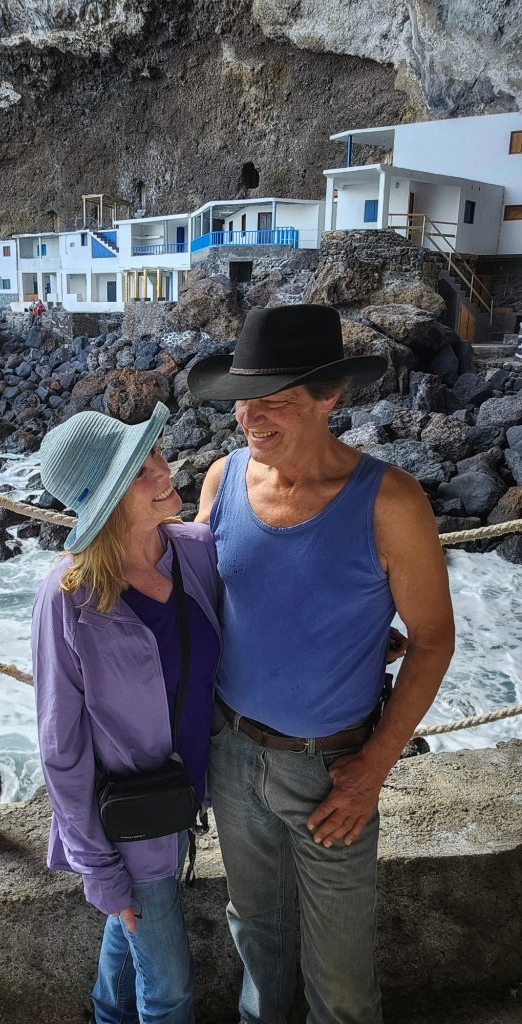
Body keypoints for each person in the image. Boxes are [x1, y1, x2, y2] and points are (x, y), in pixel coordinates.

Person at [188, 304, 455, 1024]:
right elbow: (217, 610)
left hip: (333, 771)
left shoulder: (390, 501)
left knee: (340, 982)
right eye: (244, 397)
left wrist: (372, 769)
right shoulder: (220, 480)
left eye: (273, 398)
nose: (249, 416)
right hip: (233, 753)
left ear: (330, 396)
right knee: (257, 947)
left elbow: (432, 637)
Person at [31, 402, 221, 1024]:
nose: (165, 468)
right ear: (108, 499)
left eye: (155, 453)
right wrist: (98, 869)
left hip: (183, 800)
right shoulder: (68, 598)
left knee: (130, 947)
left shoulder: (194, 551)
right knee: (168, 992)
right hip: (129, 826)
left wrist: (364, 640)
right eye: (141, 468)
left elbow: (258, 629)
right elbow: (61, 747)